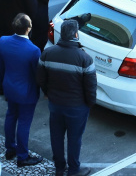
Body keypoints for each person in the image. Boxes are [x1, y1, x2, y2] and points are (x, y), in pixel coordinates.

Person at [37, 19, 97, 176]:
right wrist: (90, 104)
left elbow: (41, 79)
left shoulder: (47, 54)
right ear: (76, 34)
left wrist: (49, 93)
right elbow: (90, 87)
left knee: (56, 137)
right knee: (74, 139)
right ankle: (74, 170)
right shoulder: (85, 58)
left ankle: (59, 168)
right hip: (77, 107)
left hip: (55, 104)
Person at [0, 13, 43, 167]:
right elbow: (38, 74)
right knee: (24, 122)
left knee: (10, 116)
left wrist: (2, 85)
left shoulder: (3, 41)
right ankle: (22, 156)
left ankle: (10, 149)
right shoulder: (33, 50)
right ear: (28, 29)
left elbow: (1, 67)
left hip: (9, 87)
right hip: (27, 92)